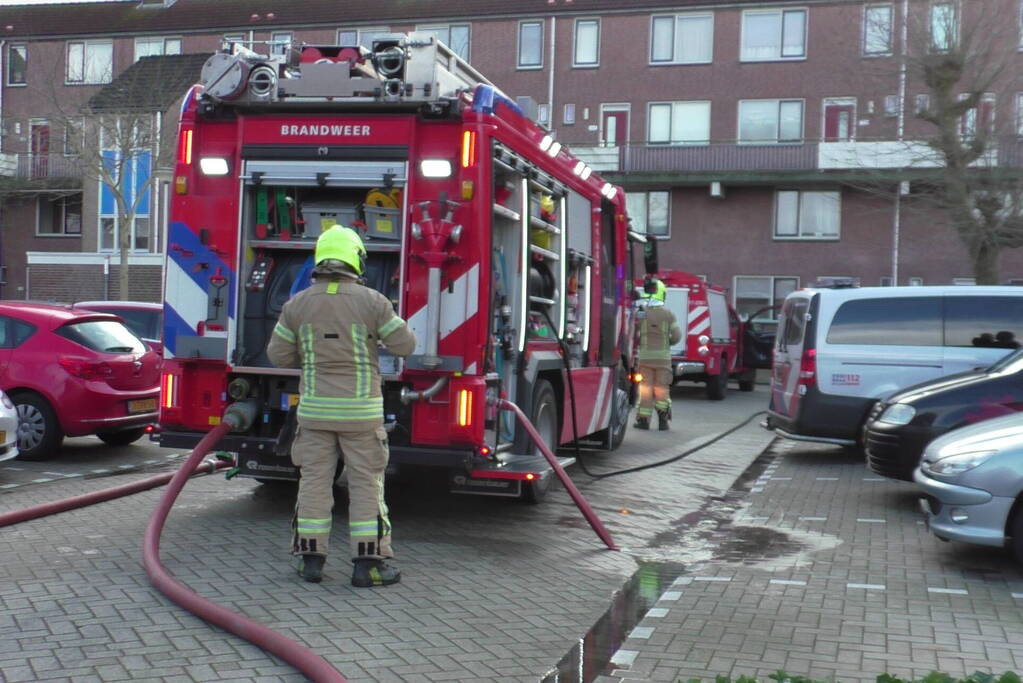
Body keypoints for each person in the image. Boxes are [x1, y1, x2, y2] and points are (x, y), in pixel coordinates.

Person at [267, 225, 416, 586]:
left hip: (316, 413)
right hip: (361, 416)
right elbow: (405, 346)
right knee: (366, 485)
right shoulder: (374, 302)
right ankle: (369, 565)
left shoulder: (297, 305)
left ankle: (310, 560)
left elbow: (278, 355)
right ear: (356, 258)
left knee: (314, 483)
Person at [634, 277, 682, 431]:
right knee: (662, 389)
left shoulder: (641, 312)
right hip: (663, 359)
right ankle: (663, 421)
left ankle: (643, 421)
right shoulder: (669, 314)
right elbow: (676, 336)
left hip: (645, 358)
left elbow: (634, 332)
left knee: (645, 389)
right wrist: (668, 343)